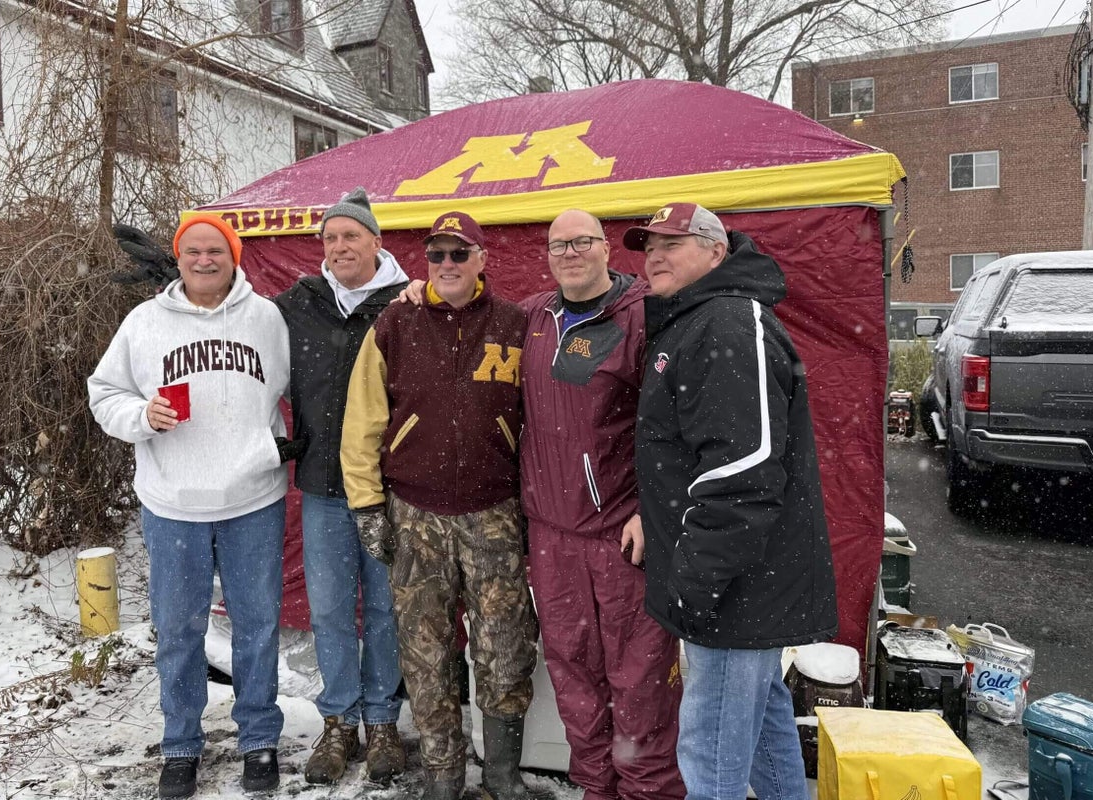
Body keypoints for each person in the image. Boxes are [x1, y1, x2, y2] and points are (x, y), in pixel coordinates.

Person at [625, 202, 838, 800]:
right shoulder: (692, 319)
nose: (656, 255)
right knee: (766, 728)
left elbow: (743, 469)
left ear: (716, 252)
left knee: (711, 754)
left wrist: (695, 581)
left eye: (674, 242)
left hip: (735, 587)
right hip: (735, 581)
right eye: (649, 246)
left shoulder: (726, 321)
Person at [88, 215, 291, 799]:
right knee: (178, 630)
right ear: (178, 259)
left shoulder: (266, 318)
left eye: (216, 250)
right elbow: (105, 393)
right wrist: (140, 417)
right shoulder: (144, 322)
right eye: (193, 251)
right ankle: (180, 744)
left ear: (234, 256)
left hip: (253, 497)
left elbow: (290, 386)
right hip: (173, 501)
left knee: (257, 625)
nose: (205, 260)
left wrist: (270, 446)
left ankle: (259, 738)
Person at [340, 211, 538, 800]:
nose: (446, 264)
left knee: (504, 646)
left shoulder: (515, 324)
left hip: (494, 513)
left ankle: (501, 774)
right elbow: (363, 422)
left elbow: (542, 420)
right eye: (436, 255)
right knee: (425, 652)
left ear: (481, 258)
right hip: (414, 514)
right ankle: (443, 776)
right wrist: (367, 508)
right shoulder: (395, 323)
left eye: (459, 253)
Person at [519, 209, 686, 800]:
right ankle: (595, 786)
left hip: (620, 532)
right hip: (550, 532)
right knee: (571, 671)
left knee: (639, 677)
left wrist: (652, 507)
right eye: (558, 244)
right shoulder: (535, 318)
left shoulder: (644, 316)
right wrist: (417, 289)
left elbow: (674, 424)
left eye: (582, 241)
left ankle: (647, 791)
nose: (570, 253)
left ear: (605, 247)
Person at [272, 187, 408, 785]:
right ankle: (340, 722)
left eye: (350, 235)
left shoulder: (406, 302)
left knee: (385, 607)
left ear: (377, 241)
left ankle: (382, 720)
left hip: (392, 487)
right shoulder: (299, 303)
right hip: (325, 486)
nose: (338, 246)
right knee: (330, 609)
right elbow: (234, 325)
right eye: (329, 237)